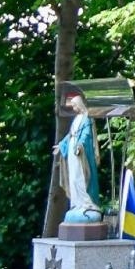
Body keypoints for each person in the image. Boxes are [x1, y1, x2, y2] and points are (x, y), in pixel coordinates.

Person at [55, 88, 101, 221]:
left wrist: (80, 145)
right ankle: (76, 203)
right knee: (73, 177)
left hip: (80, 153)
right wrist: (61, 145)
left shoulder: (87, 118)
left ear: (80, 104)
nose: (74, 108)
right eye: (73, 106)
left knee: (81, 177)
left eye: (75, 105)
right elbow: (70, 135)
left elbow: (86, 135)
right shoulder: (76, 119)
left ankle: (87, 203)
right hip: (72, 150)